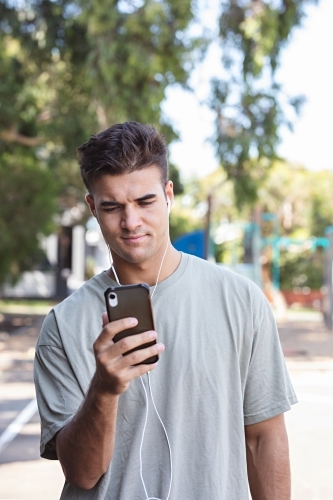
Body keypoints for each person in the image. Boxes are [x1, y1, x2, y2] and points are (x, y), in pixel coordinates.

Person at [34, 121, 297, 500]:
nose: (131, 222)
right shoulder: (63, 325)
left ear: (168, 194)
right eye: (112, 207)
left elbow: (264, 439)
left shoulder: (241, 299)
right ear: (92, 207)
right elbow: (82, 474)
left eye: (145, 201)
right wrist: (104, 391)